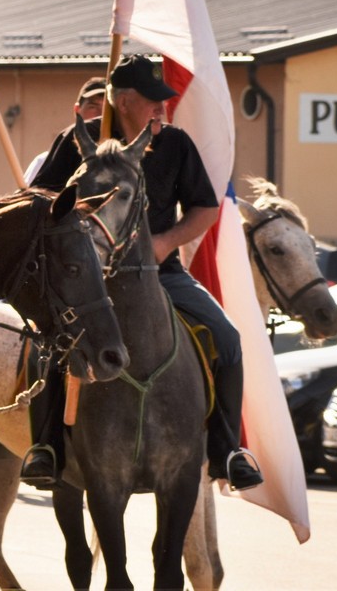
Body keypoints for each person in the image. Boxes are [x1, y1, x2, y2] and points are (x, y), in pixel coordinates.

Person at [22, 55, 263, 491]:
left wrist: (165, 242)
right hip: (85, 281)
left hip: (159, 273)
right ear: (125, 101)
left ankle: (227, 449)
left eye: (162, 101)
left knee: (227, 339)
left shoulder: (175, 144)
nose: (162, 109)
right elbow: (41, 200)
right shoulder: (79, 141)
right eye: (153, 101)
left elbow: (205, 208)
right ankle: (47, 446)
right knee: (47, 349)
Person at [23, 76, 105, 183]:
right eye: (93, 107)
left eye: (107, 109)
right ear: (77, 110)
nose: (101, 115)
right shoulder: (43, 163)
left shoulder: (120, 167)